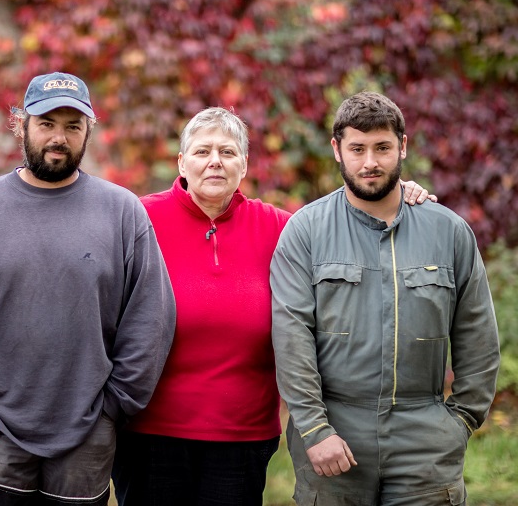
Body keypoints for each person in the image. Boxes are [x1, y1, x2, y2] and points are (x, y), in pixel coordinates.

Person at [111, 107, 435, 506]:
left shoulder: (280, 227)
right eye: (202, 152)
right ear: (181, 161)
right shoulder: (138, 218)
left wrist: (400, 195)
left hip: (242, 437)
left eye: (228, 153)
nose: (215, 161)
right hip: (150, 434)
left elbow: (351, 228)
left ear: (244, 164)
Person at [0, 72, 177, 506]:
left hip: (86, 433)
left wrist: (114, 407)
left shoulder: (122, 212)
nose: (59, 137)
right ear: (20, 124)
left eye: (72, 125)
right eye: (46, 123)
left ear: (89, 130)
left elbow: (152, 317)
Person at [270, 91, 500, 505]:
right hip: (334, 434)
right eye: (357, 148)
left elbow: (478, 335)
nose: (370, 162)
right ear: (337, 150)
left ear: (403, 147)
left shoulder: (448, 231)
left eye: (382, 147)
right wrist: (315, 430)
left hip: (425, 439)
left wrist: (461, 420)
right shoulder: (305, 231)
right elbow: (291, 339)